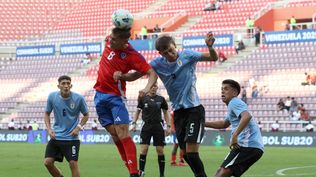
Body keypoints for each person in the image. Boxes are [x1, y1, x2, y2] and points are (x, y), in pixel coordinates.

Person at [120, 31, 218, 177]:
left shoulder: (187, 55)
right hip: (178, 113)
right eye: (165, 53)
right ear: (160, 53)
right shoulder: (158, 64)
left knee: (191, 153)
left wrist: (210, 47)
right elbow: (137, 74)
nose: (170, 55)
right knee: (185, 155)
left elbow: (213, 58)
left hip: (194, 110)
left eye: (171, 50)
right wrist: (121, 76)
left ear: (175, 45)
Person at [93, 27, 157, 177]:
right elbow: (112, 33)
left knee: (122, 133)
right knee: (115, 135)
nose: (110, 40)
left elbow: (151, 73)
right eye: (111, 37)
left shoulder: (132, 55)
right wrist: (125, 76)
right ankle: (133, 171)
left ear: (124, 42)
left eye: (114, 39)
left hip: (115, 97)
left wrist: (145, 87)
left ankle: (134, 173)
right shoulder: (110, 40)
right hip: (99, 95)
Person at [205, 79, 264, 177]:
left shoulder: (234, 102)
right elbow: (224, 124)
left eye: (226, 89)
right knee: (221, 171)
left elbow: (247, 116)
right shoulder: (232, 106)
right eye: (222, 89)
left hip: (247, 145)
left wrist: (234, 136)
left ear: (234, 93)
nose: (222, 91)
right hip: (248, 146)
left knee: (222, 172)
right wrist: (203, 123)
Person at [44, 75, 89, 177]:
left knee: (73, 163)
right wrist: (49, 129)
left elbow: (86, 115)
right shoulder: (52, 97)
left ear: (71, 85)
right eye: (63, 83)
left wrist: (78, 127)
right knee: (48, 162)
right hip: (56, 136)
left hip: (72, 138)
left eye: (68, 83)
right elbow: (47, 113)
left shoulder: (78, 98)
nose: (66, 86)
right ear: (58, 86)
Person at [131, 83, 171, 177]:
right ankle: (141, 173)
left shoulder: (161, 99)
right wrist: (134, 123)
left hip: (158, 126)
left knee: (160, 150)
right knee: (144, 149)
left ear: (157, 88)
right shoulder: (143, 98)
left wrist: (168, 126)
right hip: (146, 126)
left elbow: (166, 113)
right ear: (149, 88)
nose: (153, 88)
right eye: (152, 86)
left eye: (155, 86)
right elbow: (137, 111)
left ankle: (162, 175)